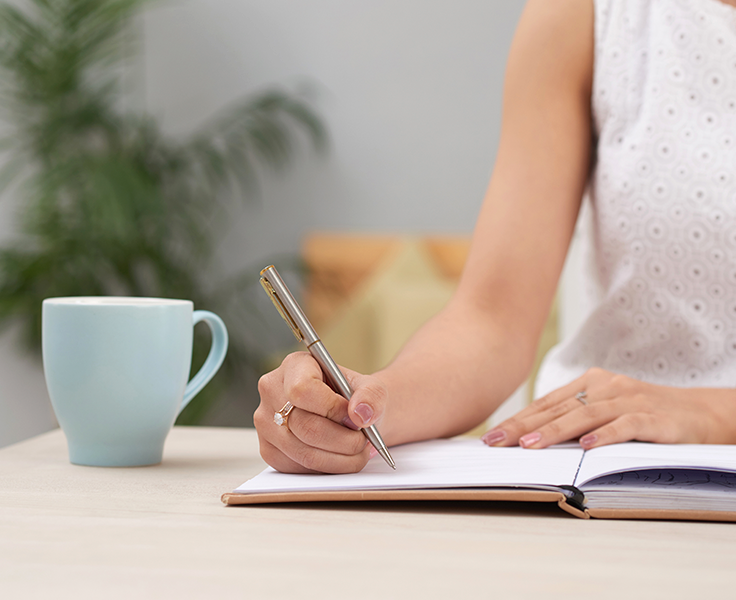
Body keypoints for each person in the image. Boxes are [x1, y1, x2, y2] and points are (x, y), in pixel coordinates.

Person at [254, 0, 736, 474]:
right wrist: (360, 407)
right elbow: (492, 323)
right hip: (595, 470)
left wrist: (713, 412)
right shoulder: (590, 12)